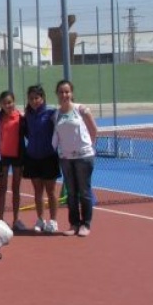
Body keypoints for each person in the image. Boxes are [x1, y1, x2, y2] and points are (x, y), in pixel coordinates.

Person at [52, 79, 100, 237]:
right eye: (61, 92)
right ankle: (74, 224)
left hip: (83, 157)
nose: (64, 95)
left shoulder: (82, 110)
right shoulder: (57, 114)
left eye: (67, 91)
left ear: (71, 93)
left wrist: (88, 147)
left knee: (84, 192)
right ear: (57, 94)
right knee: (71, 193)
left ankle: (85, 224)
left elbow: (94, 130)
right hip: (66, 158)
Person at [20, 84, 61, 234]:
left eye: (36, 98)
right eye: (31, 98)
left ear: (42, 98)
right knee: (37, 191)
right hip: (32, 157)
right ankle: (40, 219)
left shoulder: (52, 113)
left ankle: (53, 221)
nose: (34, 101)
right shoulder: (27, 115)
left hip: (49, 157)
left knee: (50, 192)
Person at [0, 90, 27, 230]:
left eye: (10, 102)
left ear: (13, 102)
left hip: (18, 156)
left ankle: (16, 220)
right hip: (2, 157)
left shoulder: (20, 117)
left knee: (16, 188)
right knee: (2, 188)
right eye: (4, 103)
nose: (8, 105)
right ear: (0, 104)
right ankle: (1, 219)